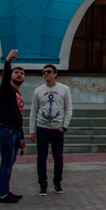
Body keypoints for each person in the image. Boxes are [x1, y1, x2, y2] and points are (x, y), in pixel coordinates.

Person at [29, 63, 73, 196]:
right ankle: (43, 184)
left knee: (58, 157)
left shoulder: (64, 89)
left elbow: (68, 109)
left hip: (57, 129)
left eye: (48, 71)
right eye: (43, 72)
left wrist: (64, 126)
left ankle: (57, 182)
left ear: (55, 74)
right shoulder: (38, 91)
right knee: (41, 157)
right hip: (42, 128)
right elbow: (33, 111)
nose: (46, 74)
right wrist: (32, 130)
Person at [0, 50, 27, 203]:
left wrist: (21, 136)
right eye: (16, 72)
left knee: (10, 162)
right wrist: (8, 61)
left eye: (22, 73)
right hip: (6, 129)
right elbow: (6, 75)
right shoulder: (6, 89)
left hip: (14, 131)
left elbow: (18, 116)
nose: (19, 74)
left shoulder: (17, 94)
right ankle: (3, 194)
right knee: (6, 162)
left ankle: (6, 190)